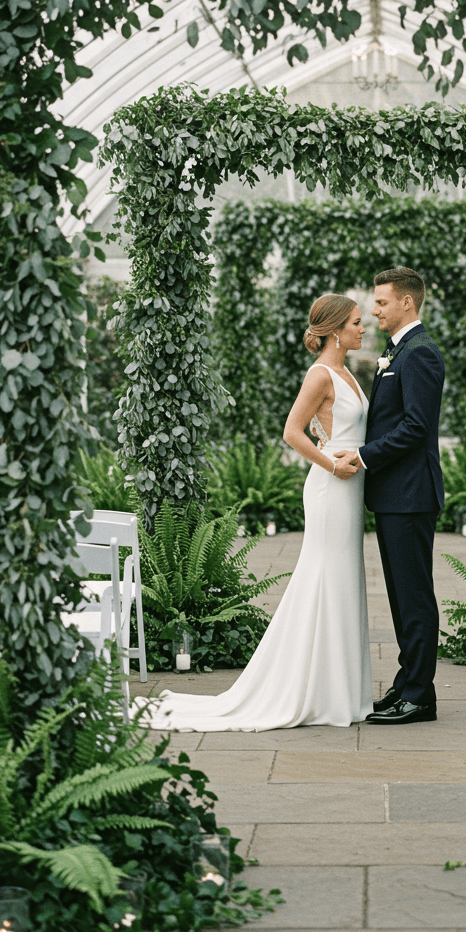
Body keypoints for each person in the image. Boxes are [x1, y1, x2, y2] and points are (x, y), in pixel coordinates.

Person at [141, 294, 372, 731]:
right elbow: (291, 431)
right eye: (358, 323)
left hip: (352, 486)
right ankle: (312, 690)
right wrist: (333, 464)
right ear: (337, 329)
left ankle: (339, 690)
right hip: (331, 486)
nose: (364, 329)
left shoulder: (348, 372)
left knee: (344, 579)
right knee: (324, 576)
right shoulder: (320, 374)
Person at [334, 267, 445, 725]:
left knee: (414, 597)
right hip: (395, 494)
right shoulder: (399, 351)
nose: (374, 309)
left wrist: (362, 455)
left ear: (407, 303)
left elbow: (416, 428)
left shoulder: (419, 354)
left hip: (410, 494)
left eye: (381, 302)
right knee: (402, 596)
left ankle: (419, 696)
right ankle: (407, 686)